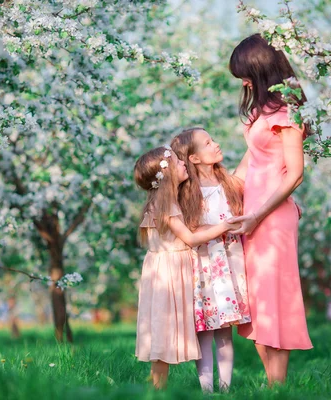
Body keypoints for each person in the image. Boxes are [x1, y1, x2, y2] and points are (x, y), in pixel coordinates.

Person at [228, 33, 313, 386]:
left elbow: (295, 174)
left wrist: (256, 216)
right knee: (257, 302)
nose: (244, 82)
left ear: (262, 69)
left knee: (273, 301)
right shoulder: (264, 109)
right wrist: (217, 193)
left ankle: (277, 387)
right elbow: (251, 161)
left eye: (246, 74)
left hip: (270, 219)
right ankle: (273, 385)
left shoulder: (290, 109)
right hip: (252, 215)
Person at [134, 145, 240, 389]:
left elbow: (189, 232)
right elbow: (190, 239)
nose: (183, 164)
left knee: (163, 329)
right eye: (177, 162)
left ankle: (158, 387)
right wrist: (226, 226)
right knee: (163, 330)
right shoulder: (166, 206)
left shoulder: (165, 203)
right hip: (170, 272)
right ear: (168, 173)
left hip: (167, 269)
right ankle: (156, 388)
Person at [171, 128, 250, 393]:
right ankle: (206, 390)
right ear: (193, 158)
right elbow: (188, 230)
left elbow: (248, 167)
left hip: (228, 263)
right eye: (207, 143)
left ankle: (226, 389)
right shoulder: (186, 191)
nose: (215, 144)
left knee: (225, 329)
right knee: (204, 328)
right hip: (201, 265)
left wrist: (259, 140)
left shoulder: (226, 181)